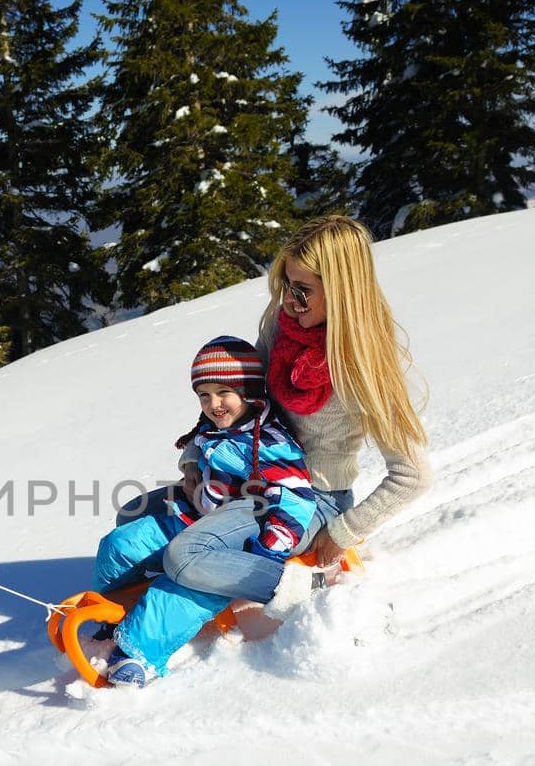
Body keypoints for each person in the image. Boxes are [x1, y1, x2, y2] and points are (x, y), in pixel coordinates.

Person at [161, 215, 433, 621]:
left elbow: (412, 476)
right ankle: (184, 582)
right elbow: (244, 404)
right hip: (253, 477)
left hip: (313, 502)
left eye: (303, 291)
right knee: (141, 511)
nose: (289, 301)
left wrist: (343, 532)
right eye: (286, 287)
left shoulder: (367, 367)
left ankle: (299, 587)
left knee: (185, 554)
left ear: (343, 293)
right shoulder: (281, 330)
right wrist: (194, 459)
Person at [89, 337, 318, 686]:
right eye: (204, 395)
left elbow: (296, 498)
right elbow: (198, 442)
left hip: (235, 536)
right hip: (196, 516)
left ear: (249, 391)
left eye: (223, 392)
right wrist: (193, 462)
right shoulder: (215, 427)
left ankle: (138, 650)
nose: (213, 404)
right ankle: (115, 611)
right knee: (120, 544)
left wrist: (270, 546)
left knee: (185, 580)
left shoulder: (270, 442)